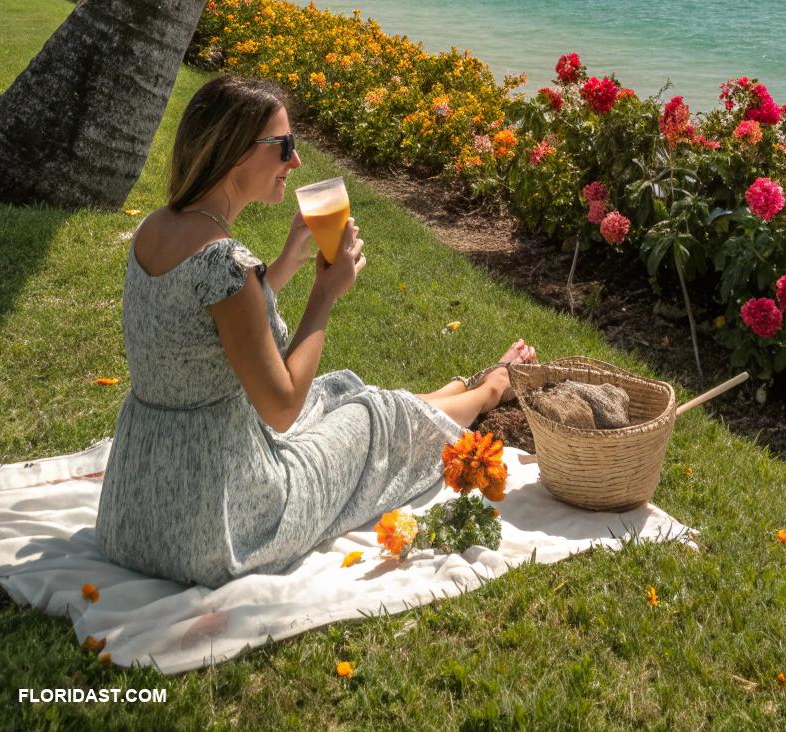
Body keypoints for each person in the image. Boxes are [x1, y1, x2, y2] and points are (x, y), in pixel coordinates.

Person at [95, 75, 536, 588]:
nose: (296, 162)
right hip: (223, 523)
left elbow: (204, 330)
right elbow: (281, 410)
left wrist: (284, 265)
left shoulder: (155, 228)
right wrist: (324, 296)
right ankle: (487, 392)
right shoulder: (225, 264)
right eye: (284, 146)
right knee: (378, 414)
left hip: (140, 509)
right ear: (236, 152)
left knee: (337, 392)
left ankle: (456, 391)